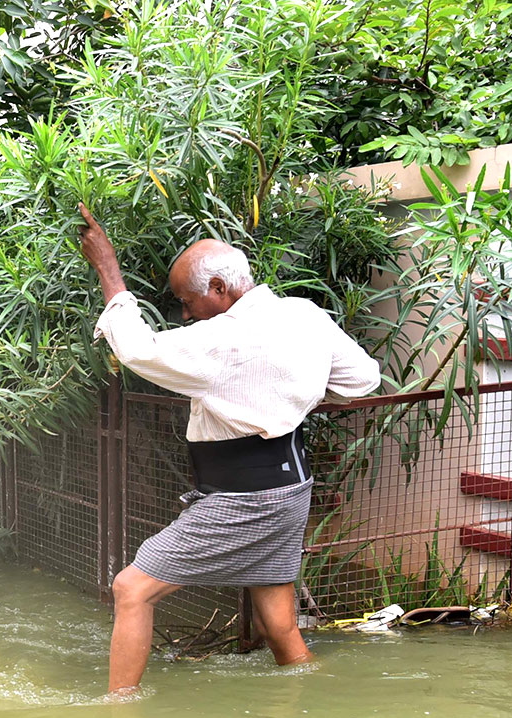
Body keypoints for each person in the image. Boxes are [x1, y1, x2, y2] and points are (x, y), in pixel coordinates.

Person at [78, 204, 380, 693]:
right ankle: (310, 707)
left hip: (245, 497)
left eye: (186, 300)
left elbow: (136, 349)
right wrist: (292, 394)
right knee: (278, 623)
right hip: (289, 487)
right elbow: (363, 380)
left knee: (131, 589)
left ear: (219, 289)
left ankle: (118, 716)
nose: (184, 313)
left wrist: (108, 270)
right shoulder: (304, 314)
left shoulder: (222, 339)